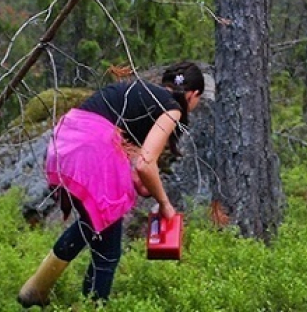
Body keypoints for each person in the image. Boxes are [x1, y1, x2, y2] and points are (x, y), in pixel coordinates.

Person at [17, 61, 205, 307]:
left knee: (91, 224)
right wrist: (164, 203)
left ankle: (35, 290)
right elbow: (145, 164)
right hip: (94, 154)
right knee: (108, 254)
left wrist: (149, 186)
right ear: (193, 94)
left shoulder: (138, 93)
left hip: (64, 146)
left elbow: (140, 170)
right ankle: (89, 305)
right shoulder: (172, 109)